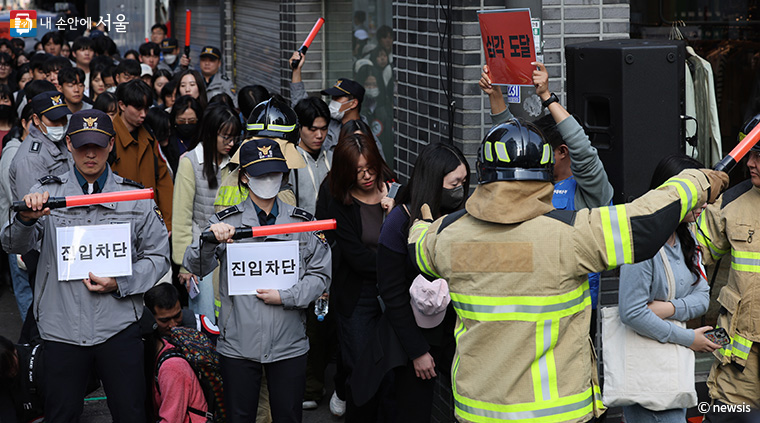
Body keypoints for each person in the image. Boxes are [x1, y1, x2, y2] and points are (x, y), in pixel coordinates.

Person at [407, 117, 728, 423]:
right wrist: (696, 181)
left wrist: (423, 225)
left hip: (478, 412)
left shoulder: (446, 237)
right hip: (553, 414)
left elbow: (417, 247)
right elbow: (643, 222)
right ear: (546, 174)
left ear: (483, 173)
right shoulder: (571, 236)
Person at [0, 109, 171, 421]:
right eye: (82, 145)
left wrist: (121, 282)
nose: (90, 153)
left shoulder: (135, 197)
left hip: (118, 326)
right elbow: (12, 245)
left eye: (98, 144)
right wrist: (26, 218)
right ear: (68, 144)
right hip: (60, 328)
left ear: (110, 145)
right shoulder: (46, 193)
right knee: (61, 413)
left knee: (131, 413)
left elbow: (158, 256)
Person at [183, 138, 331, 423]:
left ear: (284, 176)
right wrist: (210, 240)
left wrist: (286, 296)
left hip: (289, 342)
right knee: (240, 416)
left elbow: (321, 277)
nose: (268, 180)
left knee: (288, 416)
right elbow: (196, 266)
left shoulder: (302, 223)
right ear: (245, 177)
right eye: (260, 173)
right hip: (238, 343)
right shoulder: (226, 222)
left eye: (274, 173)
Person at [480, 62, 613, 321]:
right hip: (526, 301)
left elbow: (583, 152)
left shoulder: (590, 192)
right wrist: (495, 95)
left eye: (542, 149)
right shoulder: (534, 184)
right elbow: (513, 145)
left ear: (563, 152)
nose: (534, 155)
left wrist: (546, 97)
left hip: (575, 310)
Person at [618, 154, 720, 422]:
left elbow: (703, 298)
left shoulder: (687, 235)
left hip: (673, 373)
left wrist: (667, 308)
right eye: (696, 194)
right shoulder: (643, 241)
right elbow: (631, 313)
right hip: (649, 380)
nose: (704, 204)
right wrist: (690, 339)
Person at [371, 143, 469, 421]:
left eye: (464, 181)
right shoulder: (399, 223)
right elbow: (391, 293)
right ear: (433, 182)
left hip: (455, 333)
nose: (461, 189)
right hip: (412, 341)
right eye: (455, 183)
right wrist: (417, 351)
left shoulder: (461, 218)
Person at [317, 131, 394, 420]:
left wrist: (395, 209)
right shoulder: (342, 203)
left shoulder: (395, 192)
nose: (366, 176)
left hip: (392, 294)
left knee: (390, 369)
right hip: (357, 295)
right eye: (358, 170)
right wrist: (393, 265)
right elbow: (357, 257)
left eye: (370, 168)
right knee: (361, 367)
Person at [698, 115, 760, 422]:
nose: (750, 163)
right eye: (750, 153)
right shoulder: (731, 203)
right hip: (736, 357)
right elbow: (693, 258)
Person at [173, 104, 241, 318]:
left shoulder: (237, 163)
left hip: (233, 252)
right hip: (201, 253)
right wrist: (185, 264)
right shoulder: (190, 162)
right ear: (211, 134)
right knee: (206, 318)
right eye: (225, 137)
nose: (231, 143)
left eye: (234, 138)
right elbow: (182, 218)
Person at [289, 52, 384, 157]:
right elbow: (302, 108)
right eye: (333, 98)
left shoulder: (367, 137)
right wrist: (296, 71)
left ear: (353, 103)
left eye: (338, 98)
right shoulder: (328, 124)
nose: (333, 101)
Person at [112, 79, 174, 231]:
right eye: (138, 108)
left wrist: (167, 222)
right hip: (117, 223)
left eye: (146, 109)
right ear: (122, 105)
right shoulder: (108, 138)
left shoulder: (149, 137)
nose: (144, 114)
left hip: (149, 221)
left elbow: (163, 180)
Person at [9, 91, 72, 202]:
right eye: (54, 120)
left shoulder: (60, 142)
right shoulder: (31, 158)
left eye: (63, 118)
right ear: (37, 119)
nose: (61, 124)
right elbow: (33, 207)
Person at [0, 104, 32, 321]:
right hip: (18, 226)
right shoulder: (13, 152)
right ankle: (32, 341)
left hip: (35, 228)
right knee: (24, 287)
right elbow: (14, 198)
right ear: (24, 123)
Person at [291, 97, 331, 214]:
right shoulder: (291, 163)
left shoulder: (334, 158)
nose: (319, 135)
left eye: (324, 129)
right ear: (299, 128)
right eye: (312, 129)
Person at [167, 95, 203, 173]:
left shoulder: (203, 139)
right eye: (181, 121)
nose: (186, 124)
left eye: (191, 121)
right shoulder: (168, 140)